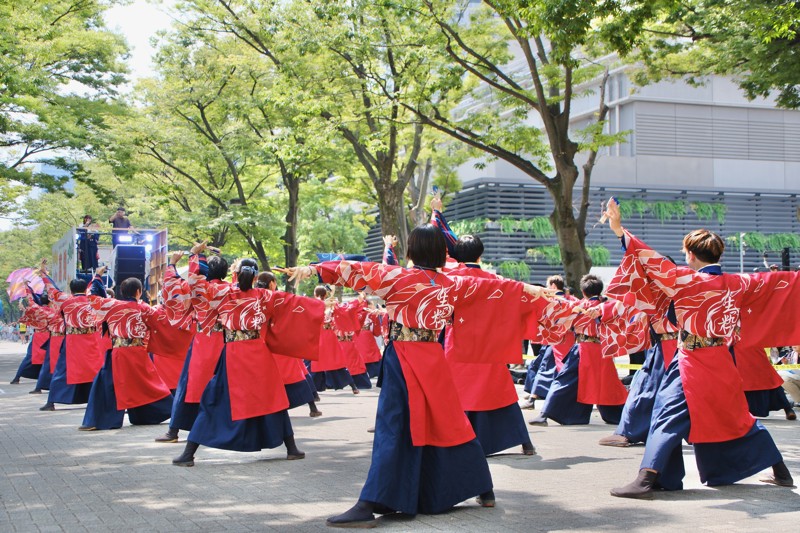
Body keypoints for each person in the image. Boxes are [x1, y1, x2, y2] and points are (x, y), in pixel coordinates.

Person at [286, 224, 556, 528]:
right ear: (441, 252)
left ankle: (369, 502)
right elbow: (496, 288)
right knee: (449, 423)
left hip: (403, 357)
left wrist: (314, 269)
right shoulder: (453, 283)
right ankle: (483, 488)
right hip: (433, 357)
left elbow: (356, 270)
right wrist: (529, 289)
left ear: (412, 250)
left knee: (393, 426)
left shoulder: (398, 277)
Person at [602, 197, 795, 499]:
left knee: (665, 412)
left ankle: (646, 478)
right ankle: (781, 472)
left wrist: (618, 229)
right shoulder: (740, 282)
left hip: (692, 360)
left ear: (690, 255)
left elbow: (648, 258)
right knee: (737, 417)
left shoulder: (686, 279)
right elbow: (785, 282)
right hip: (722, 359)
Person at [172, 249, 323, 467]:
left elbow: (196, 285)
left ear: (237, 274)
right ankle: (291, 449)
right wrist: (319, 304)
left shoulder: (223, 293)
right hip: (259, 354)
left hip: (232, 354)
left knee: (213, 400)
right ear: (255, 277)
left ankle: (189, 454)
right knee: (273, 399)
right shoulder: (265, 296)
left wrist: (196, 257)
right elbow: (294, 304)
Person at [428, 199, 535, 456]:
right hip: (490, 345)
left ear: (456, 256)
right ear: (480, 255)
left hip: (458, 342)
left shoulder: (448, 279)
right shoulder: (497, 280)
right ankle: (524, 442)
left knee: (457, 393)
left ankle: (459, 441)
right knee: (501, 393)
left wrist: (436, 214)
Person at [79, 270, 185, 431]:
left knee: (108, 386)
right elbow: (164, 322)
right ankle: (150, 415)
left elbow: (92, 297)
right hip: (138, 353)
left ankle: (99, 420)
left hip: (117, 352)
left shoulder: (111, 305)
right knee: (147, 385)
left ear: (122, 291)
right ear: (138, 292)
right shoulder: (145, 309)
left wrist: (97, 277)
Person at [39, 264, 107, 411]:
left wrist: (44, 275)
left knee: (61, 371)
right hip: (91, 340)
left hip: (72, 341)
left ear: (71, 290)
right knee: (96, 369)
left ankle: (51, 402)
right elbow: (95, 285)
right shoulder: (91, 299)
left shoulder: (65, 300)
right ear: (85, 289)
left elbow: (52, 289)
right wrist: (98, 274)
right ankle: (101, 400)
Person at [256, 271, 322, 418]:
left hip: (261, 343)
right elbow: (297, 306)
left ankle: (274, 410)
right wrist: (320, 304)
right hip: (280, 342)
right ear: (272, 283)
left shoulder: (253, 296)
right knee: (296, 376)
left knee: (272, 380)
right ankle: (311, 406)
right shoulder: (276, 297)